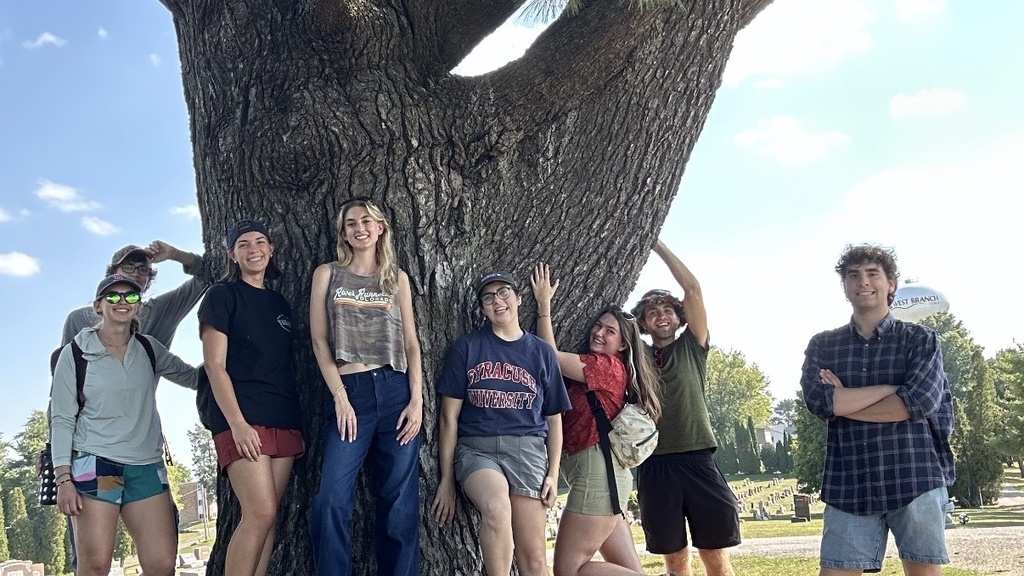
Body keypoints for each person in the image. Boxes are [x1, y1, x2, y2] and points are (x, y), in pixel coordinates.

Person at [54, 240, 211, 573]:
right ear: (98, 303)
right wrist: (62, 473)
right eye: (114, 293)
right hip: (93, 460)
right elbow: (62, 409)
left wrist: (235, 362)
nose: (123, 300)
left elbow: (195, 377)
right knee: (92, 563)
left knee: (161, 563)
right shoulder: (76, 340)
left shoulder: (151, 344)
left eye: (141, 273)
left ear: (142, 301)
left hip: (144, 459)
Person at [800, 244, 954, 576]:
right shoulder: (823, 345)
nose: (863, 282)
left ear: (891, 284)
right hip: (849, 481)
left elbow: (920, 402)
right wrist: (889, 390)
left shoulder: (921, 340)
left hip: (914, 475)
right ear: (845, 287)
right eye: (853, 275)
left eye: (873, 273)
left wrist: (844, 402)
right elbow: (819, 402)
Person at [309, 198, 423, 576]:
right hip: (350, 392)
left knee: (400, 502)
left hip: (395, 392)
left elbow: (410, 344)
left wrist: (417, 401)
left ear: (380, 228)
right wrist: (339, 396)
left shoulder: (397, 279)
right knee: (331, 499)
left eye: (367, 221)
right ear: (342, 233)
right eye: (351, 223)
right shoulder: (327, 274)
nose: (359, 228)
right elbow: (319, 341)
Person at [432, 271, 571, 576]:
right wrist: (446, 480)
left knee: (533, 558)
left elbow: (555, 419)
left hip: (528, 452)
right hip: (477, 451)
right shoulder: (466, 348)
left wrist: (553, 472)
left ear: (519, 299)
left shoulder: (541, 352)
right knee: (496, 509)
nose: (498, 301)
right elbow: (448, 418)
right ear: (483, 309)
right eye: (488, 297)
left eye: (504, 292)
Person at [530, 263, 666, 576]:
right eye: (599, 326)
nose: (599, 332)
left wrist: (544, 307)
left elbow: (548, 356)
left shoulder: (608, 367)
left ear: (623, 345)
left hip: (598, 476)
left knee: (569, 570)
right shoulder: (597, 366)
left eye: (610, 331)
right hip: (603, 477)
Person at [199, 219, 304, 576]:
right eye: (243, 244)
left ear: (271, 250)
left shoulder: (280, 304)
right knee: (259, 512)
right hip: (242, 419)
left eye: (260, 242)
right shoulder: (222, 296)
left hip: (283, 417)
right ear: (232, 255)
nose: (253, 249)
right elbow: (215, 366)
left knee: (270, 519)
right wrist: (238, 424)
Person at [630, 240, 740, 576]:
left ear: (678, 318)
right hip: (653, 462)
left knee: (714, 554)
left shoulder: (693, 345)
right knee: (674, 558)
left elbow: (692, 288)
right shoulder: (637, 356)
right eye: (652, 312)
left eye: (667, 310)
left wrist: (655, 244)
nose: (661, 316)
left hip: (697, 457)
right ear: (643, 324)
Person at [62, 240, 212, 347]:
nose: (135, 274)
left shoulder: (161, 311)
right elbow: (62, 376)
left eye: (143, 269)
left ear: (148, 279)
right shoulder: (78, 319)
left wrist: (174, 254)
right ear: (111, 274)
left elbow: (206, 274)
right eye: (128, 267)